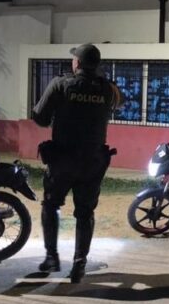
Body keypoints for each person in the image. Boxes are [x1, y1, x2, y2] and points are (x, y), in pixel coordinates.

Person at [31, 43, 121, 283]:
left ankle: (52, 257)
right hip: (93, 161)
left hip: (63, 159)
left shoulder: (61, 84)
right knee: (85, 212)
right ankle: (79, 265)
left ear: (77, 63)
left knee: (51, 204)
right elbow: (117, 104)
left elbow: (40, 117)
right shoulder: (108, 89)